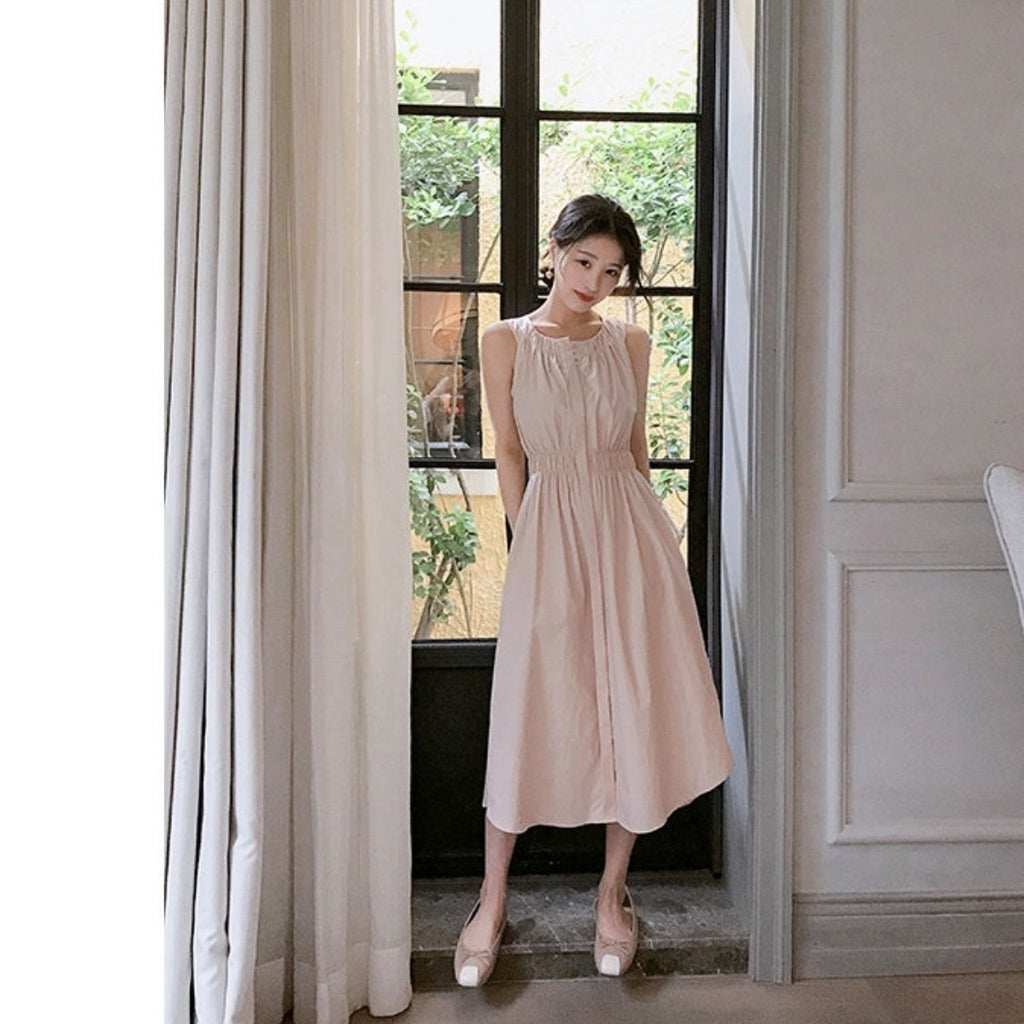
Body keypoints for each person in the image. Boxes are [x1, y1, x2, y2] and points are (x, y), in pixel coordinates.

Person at [453, 195, 733, 987]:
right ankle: (491, 900)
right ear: (554, 250)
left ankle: (613, 895)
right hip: (550, 533)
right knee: (530, 709)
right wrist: (526, 541)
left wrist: (657, 548)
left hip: (629, 534)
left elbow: (636, 450)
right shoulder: (505, 340)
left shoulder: (630, 343)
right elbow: (510, 451)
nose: (594, 282)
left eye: (611, 272)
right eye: (584, 263)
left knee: (632, 709)